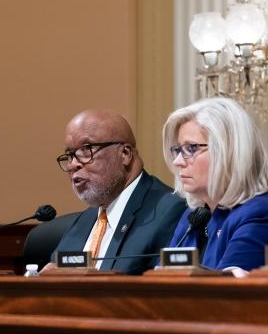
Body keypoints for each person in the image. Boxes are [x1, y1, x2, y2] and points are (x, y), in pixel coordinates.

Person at [163, 97, 268, 273]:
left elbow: (224, 295)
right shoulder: (195, 215)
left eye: (191, 149)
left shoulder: (262, 215)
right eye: (178, 149)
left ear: (228, 152)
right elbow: (166, 280)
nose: (178, 161)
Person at [50, 109, 186, 274]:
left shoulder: (169, 210)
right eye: (70, 155)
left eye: (87, 150)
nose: (73, 164)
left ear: (125, 154)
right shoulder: (85, 221)